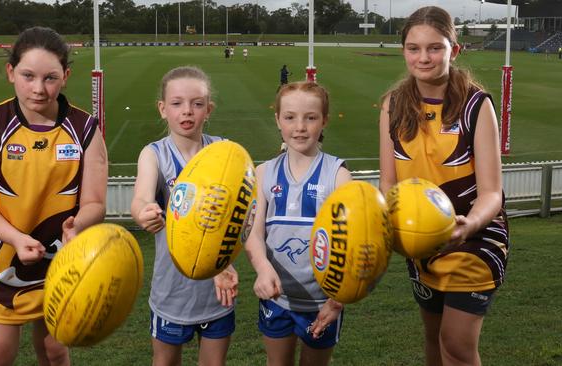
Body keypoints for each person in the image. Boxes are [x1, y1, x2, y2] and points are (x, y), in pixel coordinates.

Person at [0, 26, 108, 365]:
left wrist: (76, 226)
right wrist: (15, 238)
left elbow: (95, 203)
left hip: (62, 265)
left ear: (66, 76)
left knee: (55, 351)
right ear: (11, 72)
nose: (39, 89)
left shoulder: (85, 129)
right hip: (2, 265)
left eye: (50, 78)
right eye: (28, 76)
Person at [378, 7, 509, 366]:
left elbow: (491, 193)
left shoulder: (476, 105)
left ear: (455, 49)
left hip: (474, 238)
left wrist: (469, 224)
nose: (423, 57)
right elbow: (388, 182)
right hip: (419, 238)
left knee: (456, 346)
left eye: (435, 48)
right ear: (403, 49)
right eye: (413, 48)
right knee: (434, 340)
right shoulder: (392, 105)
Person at [131, 66, 239, 366]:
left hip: (218, 289)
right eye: (177, 103)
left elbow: (242, 211)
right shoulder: (155, 154)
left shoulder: (224, 152)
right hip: (172, 291)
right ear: (163, 109)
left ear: (209, 109)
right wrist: (145, 212)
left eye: (197, 103)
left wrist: (227, 262)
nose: (187, 111)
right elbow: (140, 198)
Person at [245, 81, 352, 366]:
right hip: (277, 299)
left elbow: (351, 247)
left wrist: (337, 300)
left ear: (324, 120)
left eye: (311, 117)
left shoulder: (338, 176)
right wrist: (262, 268)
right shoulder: (264, 173)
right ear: (277, 119)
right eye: (290, 117)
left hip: (322, 304)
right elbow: (253, 235)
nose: (300, 127)